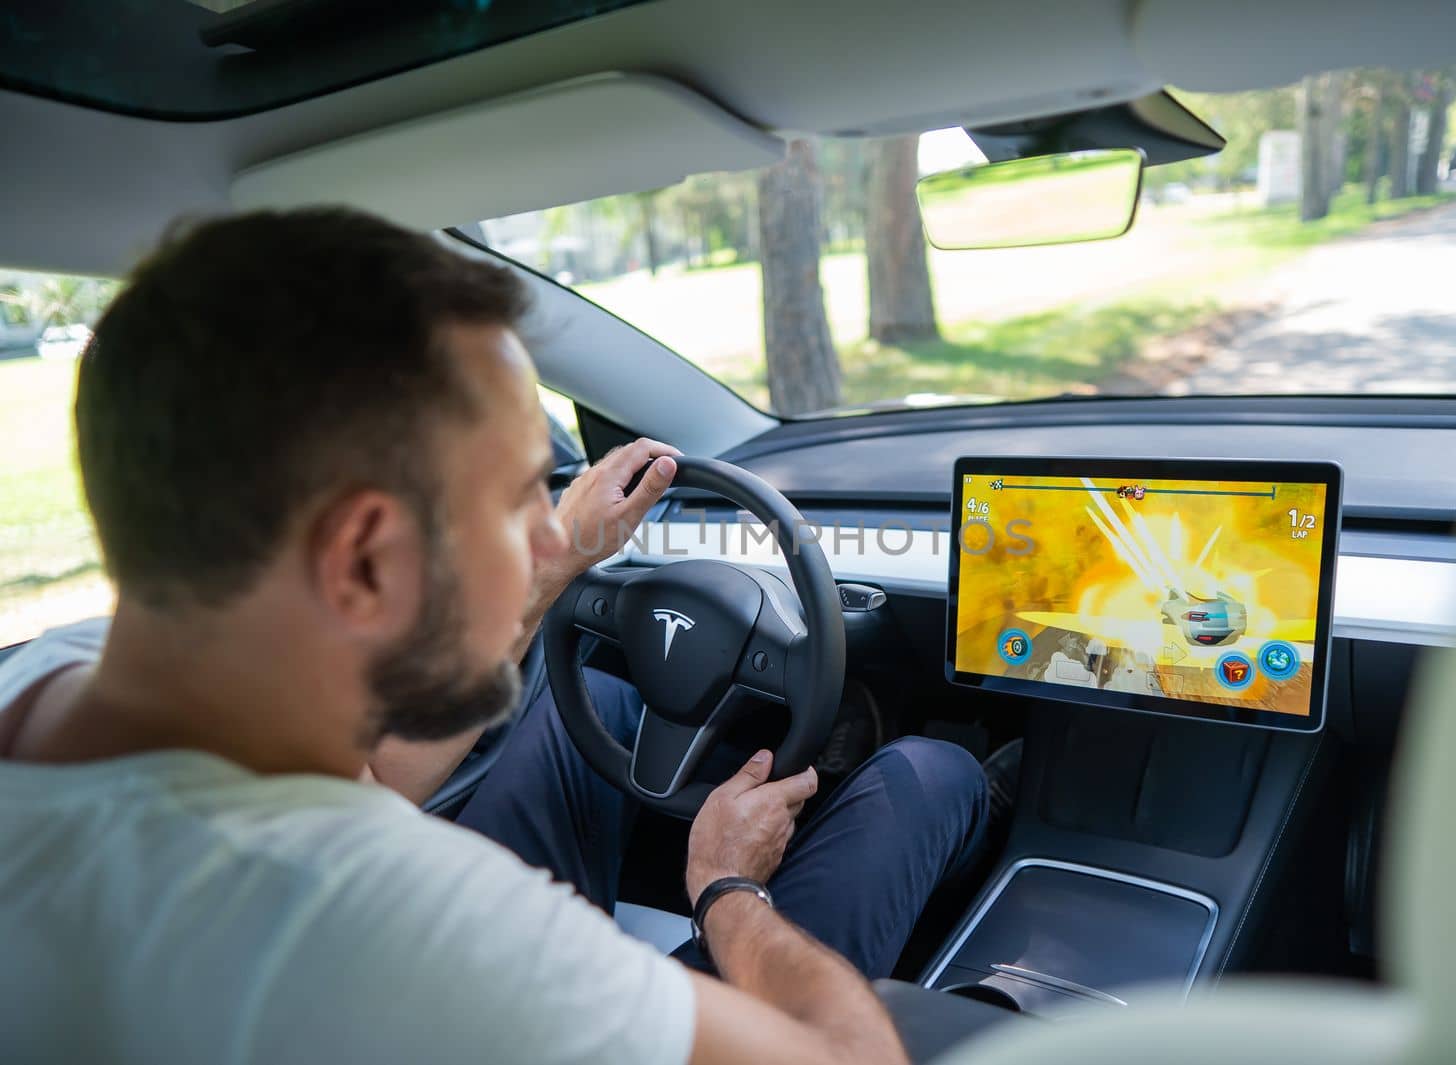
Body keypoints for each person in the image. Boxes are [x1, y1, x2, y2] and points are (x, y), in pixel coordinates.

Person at [0, 209, 988, 1064]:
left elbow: (371, 784)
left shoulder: (61, 677)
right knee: (931, 777)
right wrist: (723, 886)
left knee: (593, 698)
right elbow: (845, 1054)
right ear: (365, 559)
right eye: (524, 496)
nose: (553, 533)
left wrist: (558, 567)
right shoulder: (390, 922)